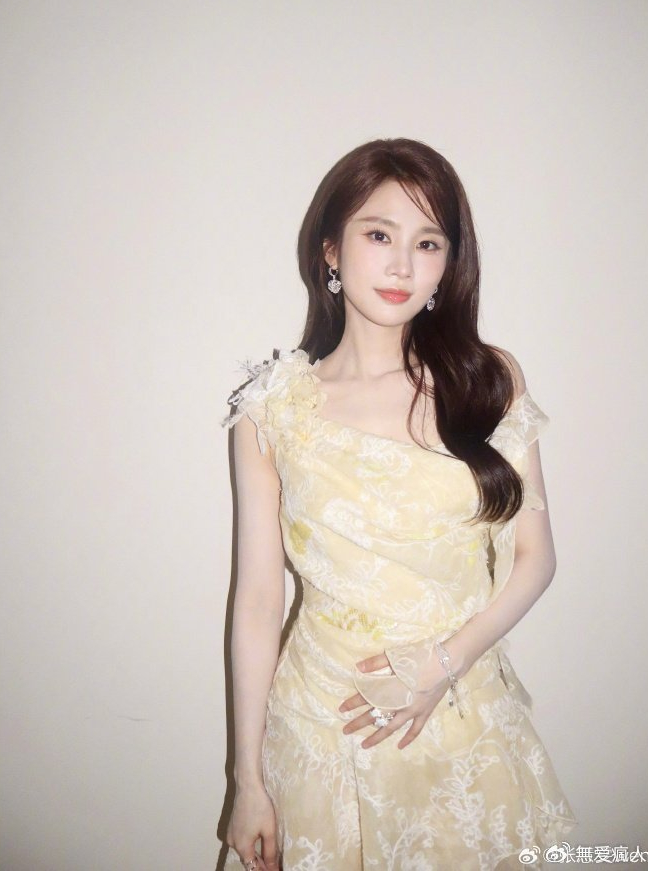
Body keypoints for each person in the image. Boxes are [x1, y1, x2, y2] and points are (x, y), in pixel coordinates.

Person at [220, 138, 577, 870]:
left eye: (428, 243)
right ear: (330, 249)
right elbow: (257, 599)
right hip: (320, 729)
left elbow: (535, 560)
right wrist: (246, 779)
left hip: (459, 717)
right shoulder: (271, 411)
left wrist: (441, 665)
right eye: (379, 235)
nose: (402, 266)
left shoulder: (488, 380)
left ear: (448, 264)